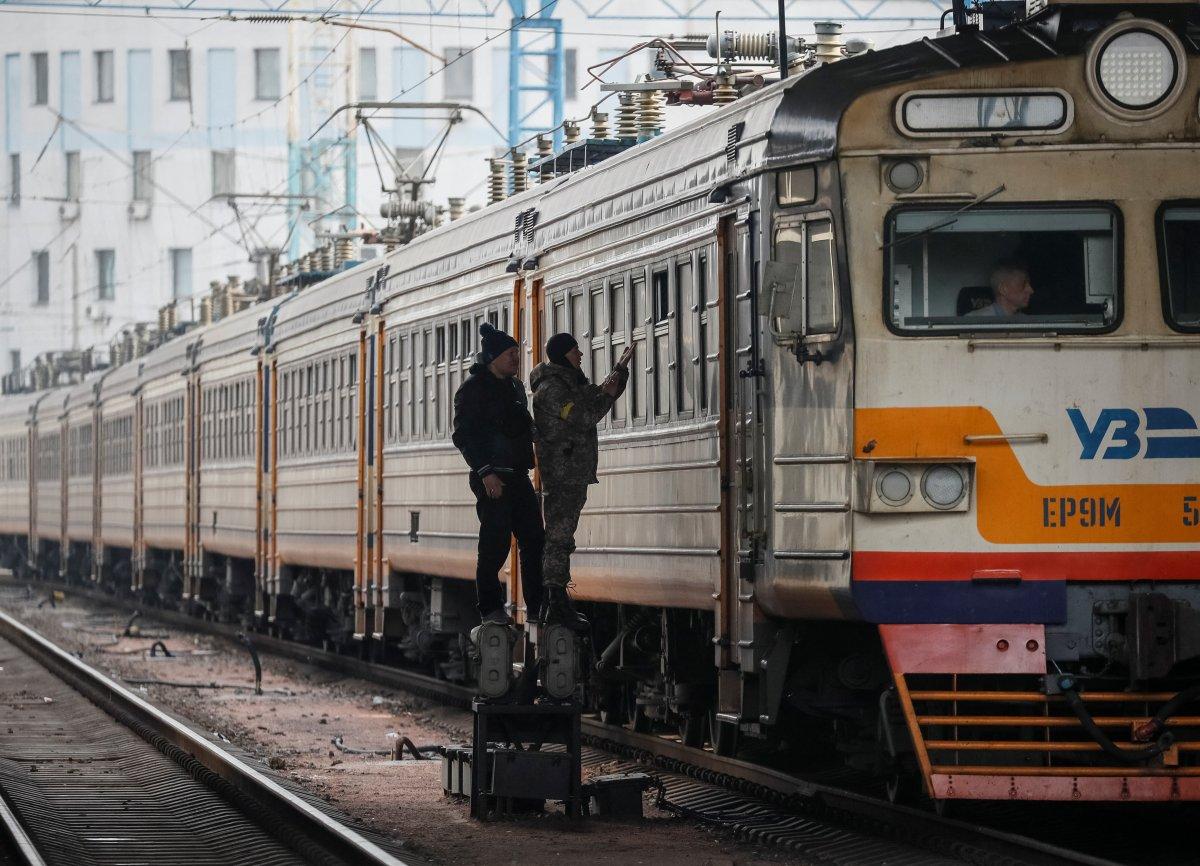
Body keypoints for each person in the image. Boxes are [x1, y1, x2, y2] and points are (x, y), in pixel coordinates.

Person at [529, 334, 632, 630]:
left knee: (563, 536)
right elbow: (584, 416)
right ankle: (555, 600)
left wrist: (619, 373)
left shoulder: (569, 383)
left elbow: (594, 397)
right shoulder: (551, 390)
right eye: (575, 350)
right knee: (559, 537)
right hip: (561, 473)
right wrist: (608, 394)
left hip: (572, 471)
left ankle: (556, 597)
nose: (580, 355)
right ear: (563, 354)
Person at [451, 322, 544, 626]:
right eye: (510, 354)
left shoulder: (514, 388)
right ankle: (490, 607)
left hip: (517, 474)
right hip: (492, 476)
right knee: (495, 543)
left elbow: (521, 423)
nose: (516, 359)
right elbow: (464, 435)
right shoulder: (473, 390)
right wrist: (485, 472)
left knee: (534, 539)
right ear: (493, 357)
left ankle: (537, 605)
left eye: (517, 352)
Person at [968, 261, 1034, 317]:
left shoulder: (1028, 322)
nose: (1031, 290)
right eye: (1023, 284)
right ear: (1003, 289)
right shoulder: (974, 321)